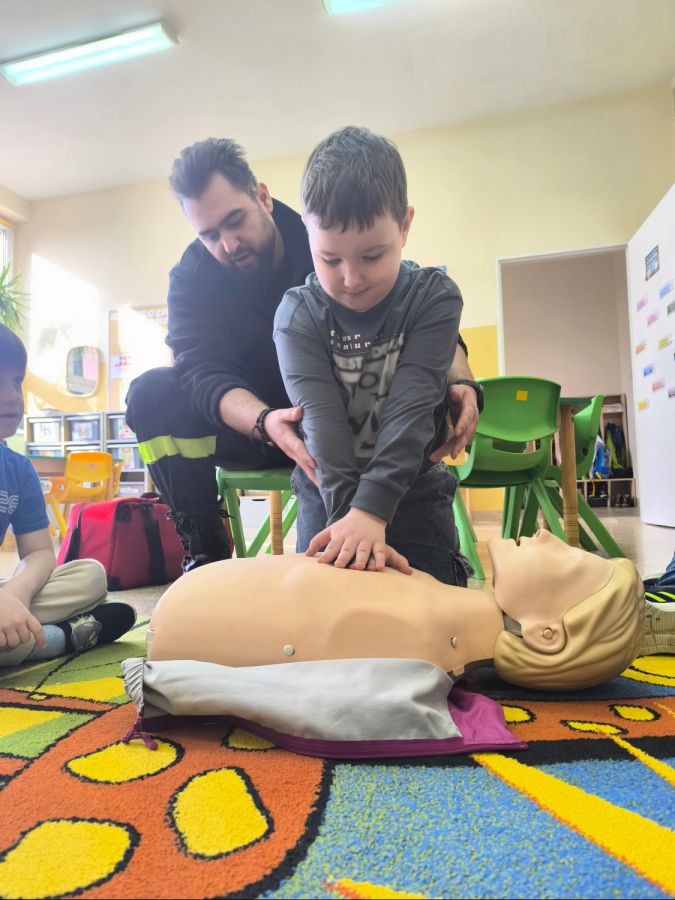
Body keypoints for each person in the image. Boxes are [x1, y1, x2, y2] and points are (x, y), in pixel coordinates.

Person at [124, 138, 482, 572]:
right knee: (151, 394)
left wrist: (460, 380)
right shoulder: (193, 278)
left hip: (363, 422)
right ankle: (204, 544)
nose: (229, 244)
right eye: (209, 235)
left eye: (235, 221)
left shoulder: (327, 229)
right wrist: (264, 421)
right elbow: (200, 373)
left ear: (262, 197)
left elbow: (419, 319)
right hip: (272, 428)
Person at [274, 126, 470, 584]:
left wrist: (372, 511)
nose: (351, 279)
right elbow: (322, 423)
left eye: (372, 256)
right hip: (326, 491)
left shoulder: (434, 297)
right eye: (330, 259)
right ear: (307, 234)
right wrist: (353, 521)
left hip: (416, 490)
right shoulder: (296, 315)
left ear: (405, 226)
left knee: (432, 608)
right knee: (328, 611)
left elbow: (413, 408)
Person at [144, 529, 644, 692]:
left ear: (545, 634)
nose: (549, 535)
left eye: (570, 558)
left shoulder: (423, 638)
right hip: (193, 606)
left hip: (184, 623)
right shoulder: (432, 612)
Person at [0, 325, 136, 667]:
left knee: (90, 575)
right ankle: (60, 638)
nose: (12, 396)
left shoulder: (18, 470)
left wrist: (15, 593)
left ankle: (17, 629)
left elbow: (39, 553)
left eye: (16, 381)